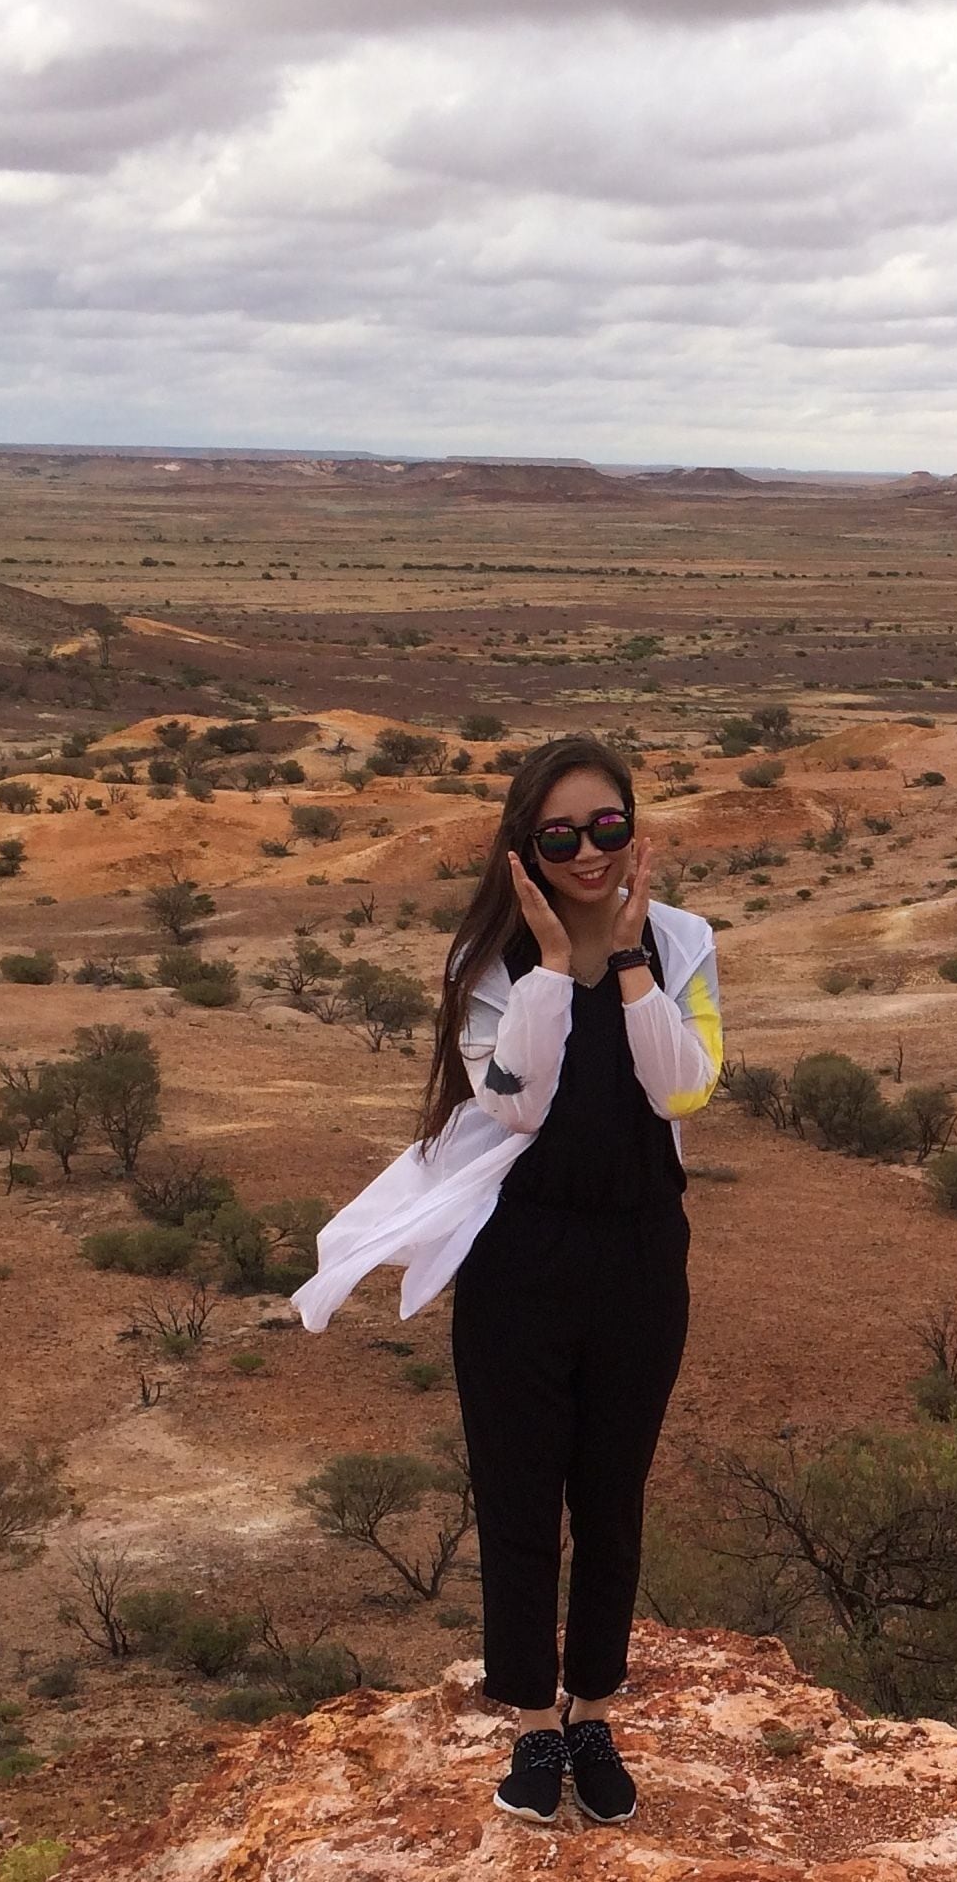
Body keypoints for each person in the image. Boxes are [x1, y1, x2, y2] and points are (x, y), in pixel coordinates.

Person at [294, 736, 722, 1827]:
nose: (589, 851)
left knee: (612, 1497)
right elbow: (518, 1104)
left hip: (638, 1257)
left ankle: (594, 1709)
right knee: (522, 1494)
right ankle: (534, 1724)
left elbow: (682, 1092)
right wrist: (545, 963)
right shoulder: (482, 963)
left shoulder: (683, 941)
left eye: (608, 829)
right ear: (524, 848)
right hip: (520, 1259)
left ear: (637, 829)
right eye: (561, 835)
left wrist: (627, 962)